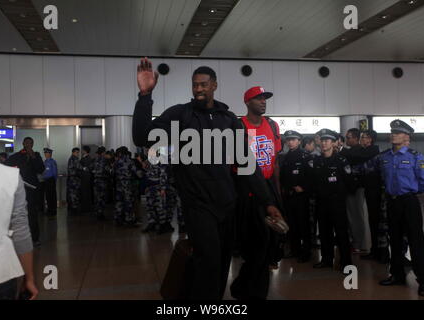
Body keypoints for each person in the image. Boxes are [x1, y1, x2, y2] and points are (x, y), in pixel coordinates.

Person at [132, 58, 282, 300]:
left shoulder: (228, 119)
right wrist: (144, 95)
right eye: (195, 85)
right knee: (209, 261)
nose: (199, 89)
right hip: (198, 205)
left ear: (214, 85)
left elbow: (246, 163)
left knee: (222, 262)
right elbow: (141, 136)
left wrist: (268, 201)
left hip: (227, 204)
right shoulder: (180, 115)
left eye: (203, 84)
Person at [0, 101, 38, 300]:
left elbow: (41, 169)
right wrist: (29, 278)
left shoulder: (33, 157)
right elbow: (21, 230)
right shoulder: (9, 176)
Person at [230, 86, 284, 300]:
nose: (263, 101)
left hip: (269, 190)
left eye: (265, 98)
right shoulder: (239, 126)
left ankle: (245, 288)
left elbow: (275, 161)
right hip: (248, 192)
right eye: (258, 98)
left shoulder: (272, 125)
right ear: (247, 102)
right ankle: (248, 289)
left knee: (268, 245)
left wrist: (277, 194)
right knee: (257, 246)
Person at [378, 120, 424, 297]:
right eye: (392, 131)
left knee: (416, 242)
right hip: (393, 202)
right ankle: (397, 275)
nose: (393, 134)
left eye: (397, 132)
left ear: (407, 136)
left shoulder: (416, 156)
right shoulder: (385, 157)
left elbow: (423, 182)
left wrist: (411, 193)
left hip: (409, 202)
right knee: (395, 241)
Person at [310, 129, 355, 273]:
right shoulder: (317, 161)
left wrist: (341, 194)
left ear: (334, 143)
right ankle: (326, 260)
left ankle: (346, 262)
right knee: (324, 232)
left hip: (337, 202)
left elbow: (349, 181)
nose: (324, 143)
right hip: (321, 202)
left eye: (327, 140)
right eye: (322, 140)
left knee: (341, 233)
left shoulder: (341, 160)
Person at [6, 137, 45, 246]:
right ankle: (19, 238)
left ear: (33, 144)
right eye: (27, 143)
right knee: (19, 214)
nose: (28, 144)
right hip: (20, 189)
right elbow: (7, 166)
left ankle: (35, 238)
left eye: (31, 143)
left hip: (32, 189)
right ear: (23, 143)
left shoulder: (36, 155)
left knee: (33, 214)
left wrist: (33, 157)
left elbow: (41, 169)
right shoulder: (17, 156)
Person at [280, 130, 312, 263]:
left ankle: (306, 252)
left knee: (303, 225)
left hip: (301, 196)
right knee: (292, 224)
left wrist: (303, 187)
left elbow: (312, 176)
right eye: (288, 140)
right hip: (289, 195)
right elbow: (283, 176)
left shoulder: (306, 156)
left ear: (299, 141)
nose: (290, 142)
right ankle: (295, 250)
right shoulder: (285, 157)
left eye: (293, 139)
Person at [340, 128, 369, 254]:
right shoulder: (349, 151)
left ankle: (359, 243)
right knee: (351, 217)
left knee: (357, 216)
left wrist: (341, 149)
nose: (347, 140)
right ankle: (355, 241)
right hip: (348, 188)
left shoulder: (359, 151)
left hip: (357, 188)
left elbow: (354, 158)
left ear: (356, 139)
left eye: (349, 137)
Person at [359, 130, 386, 261]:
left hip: (376, 191)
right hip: (370, 190)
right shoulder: (368, 151)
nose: (361, 140)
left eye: (363, 137)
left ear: (370, 139)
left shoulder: (373, 151)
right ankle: (375, 250)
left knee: (377, 222)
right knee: (373, 221)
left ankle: (381, 253)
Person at [114, 147, 141, 227]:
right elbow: (137, 172)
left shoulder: (117, 161)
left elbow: (113, 172)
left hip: (119, 184)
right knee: (128, 202)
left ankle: (118, 219)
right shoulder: (129, 161)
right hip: (127, 184)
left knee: (119, 202)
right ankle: (129, 220)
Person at [42, 148, 58, 218]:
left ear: (50, 154)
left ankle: (53, 211)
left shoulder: (52, 162)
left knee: (52, 196)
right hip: (46, 180)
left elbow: (55, 172)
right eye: (45, 153)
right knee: (48, 196)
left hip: (51, 180)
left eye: (47, 153)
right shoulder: (45, 162)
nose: (45, 154)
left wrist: (54, 180)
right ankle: (49, 210)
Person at [67, 147, 81, 214]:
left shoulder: (71, 158)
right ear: (73, 152)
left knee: (73, 194)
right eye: (77, 152)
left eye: (78, 152)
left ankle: (73, 208)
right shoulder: (74, 159)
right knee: (74, 194)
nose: (78, 154)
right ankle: (74, 209)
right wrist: (84, 168)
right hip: (74, 179)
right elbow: (79, 167)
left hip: (72, 179)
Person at [80, 145, 94, 214]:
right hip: (86, 177)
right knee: (85, 192)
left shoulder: (87, 158)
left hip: (86, 177)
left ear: (85, 151)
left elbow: (86, 168)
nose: (81, 151)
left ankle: (86, 208)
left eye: (82, 150)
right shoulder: (86, 158)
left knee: (85, 192)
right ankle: (86, 207)